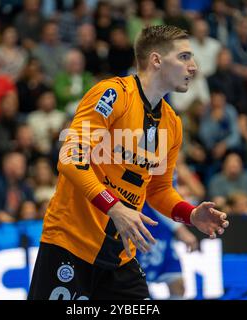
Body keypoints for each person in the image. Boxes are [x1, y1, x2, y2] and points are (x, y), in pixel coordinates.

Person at [28, 25, 229, 300]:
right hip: (69, 244)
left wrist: (190, 214)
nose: (194, 67)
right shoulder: (113, 95)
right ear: (156, 60)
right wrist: (115, 207)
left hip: (121, 258)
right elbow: (70, 160)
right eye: (184, 57)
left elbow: (158, 190)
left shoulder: (172, 124)